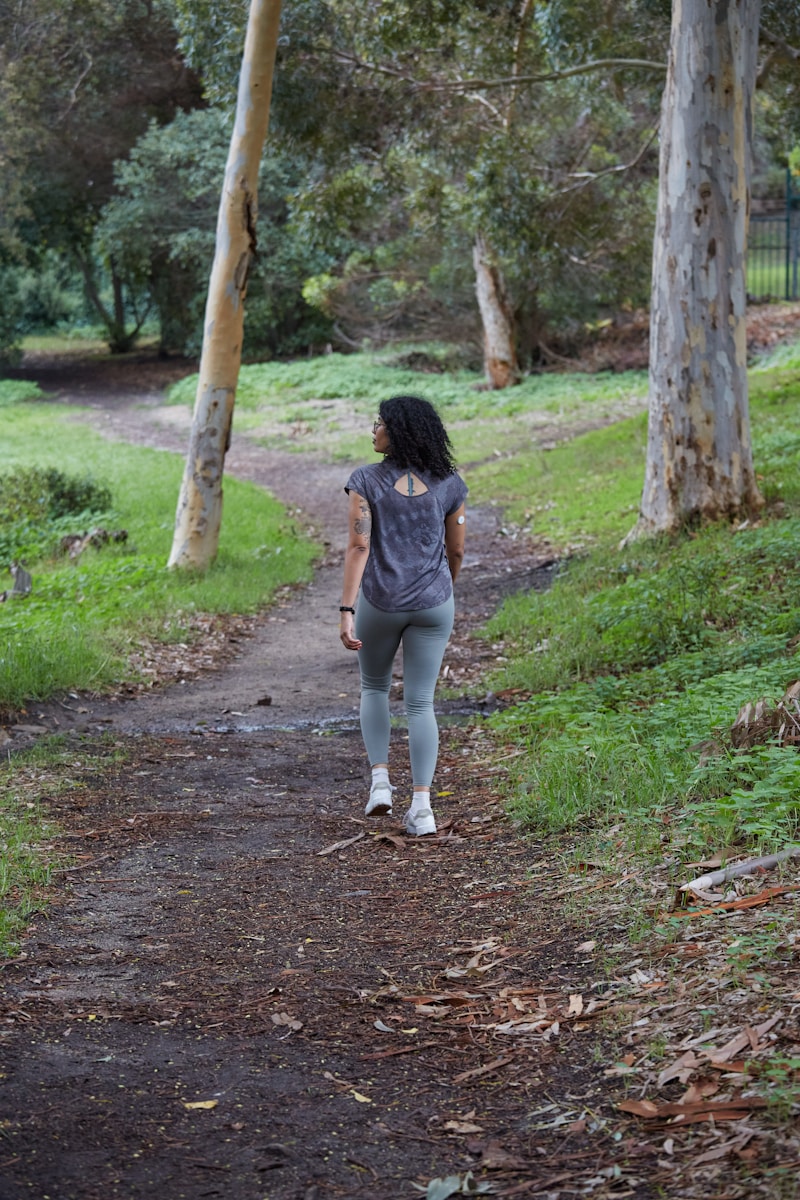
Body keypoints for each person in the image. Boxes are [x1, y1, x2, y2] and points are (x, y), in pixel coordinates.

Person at [339, 394, 467, 836]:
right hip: (434, 604)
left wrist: (346, 609)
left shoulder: (365, 480)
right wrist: (442, 589)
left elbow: (359, 546)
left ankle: (380, 783)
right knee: (421, 702)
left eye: (379, 423)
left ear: (398, 431)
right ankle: (423, 808)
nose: (373, 430)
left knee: (374, 687)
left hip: (380, 602)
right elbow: (457, 549)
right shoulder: (449, 482)